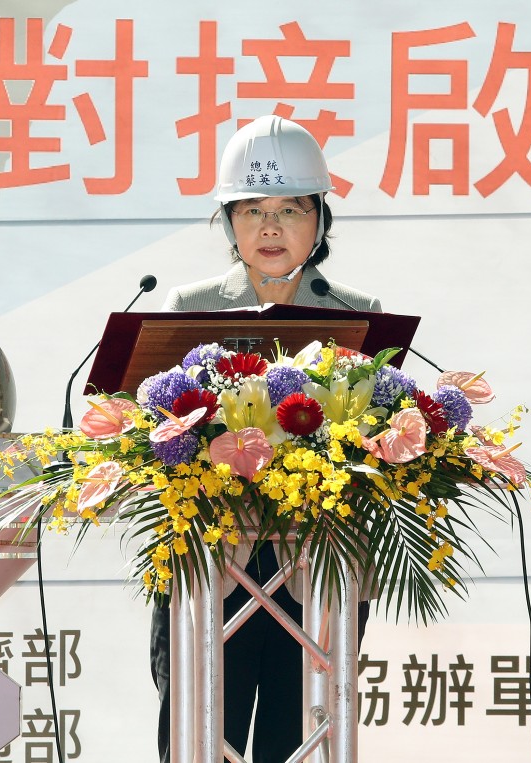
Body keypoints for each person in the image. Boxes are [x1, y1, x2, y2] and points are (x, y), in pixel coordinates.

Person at [151, 115, 378, 763]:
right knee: (198, 738)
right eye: (252, 209)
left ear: (320, 221)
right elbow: (158, 430)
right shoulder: (186, 310)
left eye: (290, 209)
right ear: (228, 221)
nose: (271, 227)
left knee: (299, 739)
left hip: (315, 579)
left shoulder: (353, 312)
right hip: (211, 568)